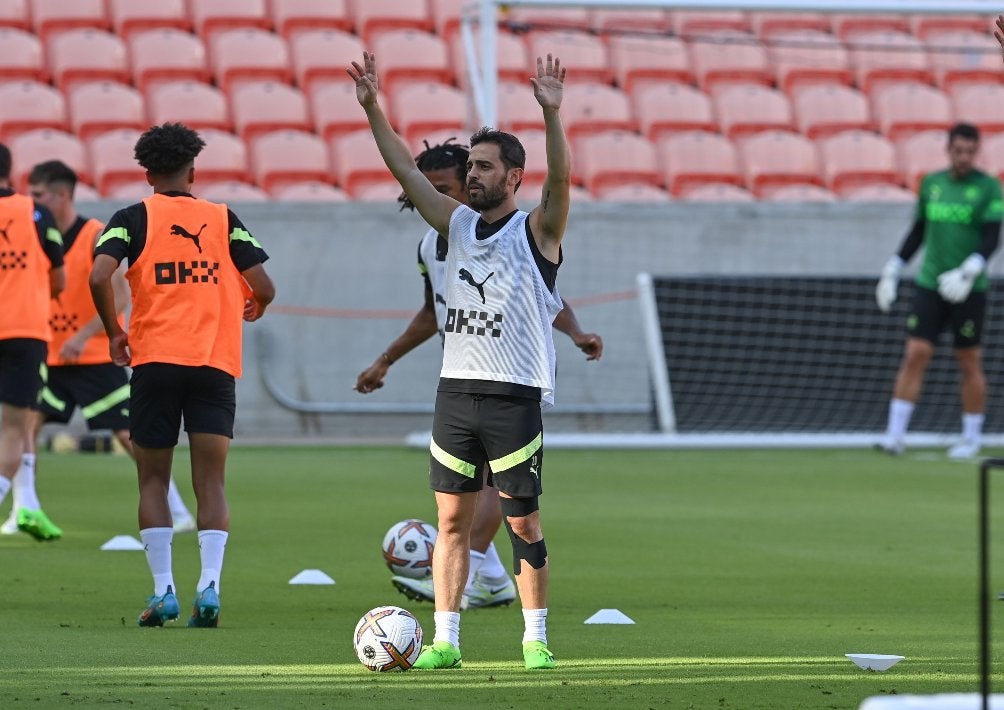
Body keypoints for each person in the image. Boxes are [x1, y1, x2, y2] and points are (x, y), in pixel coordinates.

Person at [349, 51, 570, 670]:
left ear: (515, 177)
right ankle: (445, 639)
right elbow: (403, 170)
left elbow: (562, 183)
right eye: (469, 166)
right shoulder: (456, 225)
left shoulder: (540, 230)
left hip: (513, 395)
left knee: (522, 524)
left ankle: (535, 639)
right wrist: (372, 108)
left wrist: (551, 115)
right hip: (456, 394)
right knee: (450, 523)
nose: (471, 175)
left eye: (484, 167)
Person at [355, 138, 602, 611]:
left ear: (507, 176)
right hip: (461, 377)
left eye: (451, 183)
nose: (454, 189)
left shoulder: (524, 231)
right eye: (445, 183)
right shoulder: (435, 241)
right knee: (458, 502)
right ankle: (487, 580)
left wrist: (576, 332)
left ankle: (484, 579)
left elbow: (546, 291)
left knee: (504, 497)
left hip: (512, 377)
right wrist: (386, 358)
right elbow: (432, 312)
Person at [89, 123, 275, 628]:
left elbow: (99, 275)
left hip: (155, 363)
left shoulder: (130, 218)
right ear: (193, 170)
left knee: (153, 478)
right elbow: (264, 284)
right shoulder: (222, 218)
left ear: (147, 172)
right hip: (214, 364)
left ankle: (163, 592)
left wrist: (113, 332)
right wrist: (253, 304)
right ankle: (209, 587)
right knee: (211, 482)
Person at [1, 161, 196, 539]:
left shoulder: (93, 234)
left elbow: (120, 294)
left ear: (61, 195)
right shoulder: (30, 229)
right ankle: (24, 508)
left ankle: (176, 507)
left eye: (39, 195)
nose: (33, 201)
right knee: (26, 424)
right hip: (48, 353)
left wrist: (81, 335)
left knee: (127, 433)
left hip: (89, 356)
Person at [875, 122, 1002, 458]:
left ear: (977, 152)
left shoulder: (988, 188)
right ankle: (894, 435)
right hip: (930, 283)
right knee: (916, 353)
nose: (963, 158)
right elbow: (919, 231)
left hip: (968, 289)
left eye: (970, 152)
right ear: (948, 150)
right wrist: (894, 267)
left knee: (968, 360)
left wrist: (970, 269)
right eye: (958, 151)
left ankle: (971, 437)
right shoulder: (931, 184)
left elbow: (992, 237)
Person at [0, 143, 65, 540]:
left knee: (23, 427)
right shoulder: (35, 212)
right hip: (24, 331)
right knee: (16, 427)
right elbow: (59, 280)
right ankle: (22, 504)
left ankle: (28, 506)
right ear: (12, 171)